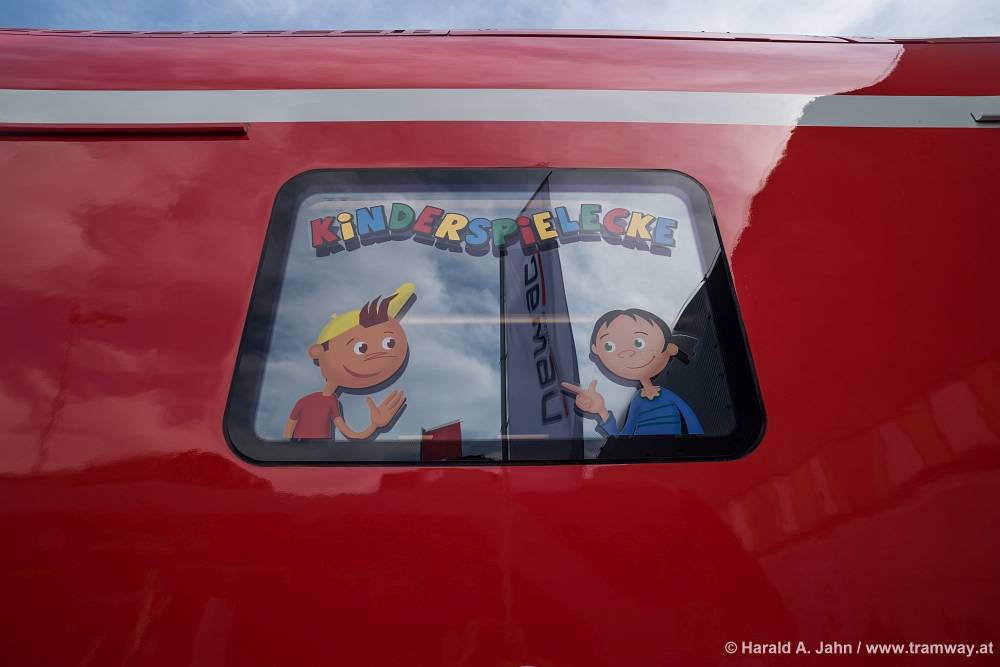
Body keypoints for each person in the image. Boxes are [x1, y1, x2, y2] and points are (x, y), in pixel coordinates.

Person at [282, 282, 415, 440]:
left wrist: (375, 425)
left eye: (389, 343)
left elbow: (352, 434)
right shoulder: (305, 401)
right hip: (302, 451)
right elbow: (287, 434)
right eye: (361, 348)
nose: (375, 356)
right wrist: (285, 450)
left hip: (321, 450)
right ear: (317, 352)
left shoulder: (331, 402)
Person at [562, 308, 703, 437]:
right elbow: (624, 437)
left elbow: (691, 421)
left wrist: (701, 446)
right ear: (595, 349)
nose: (626, 353)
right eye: (609, 346)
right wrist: (601, 411)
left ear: (670, 348)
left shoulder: (665, 395)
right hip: (642, 453)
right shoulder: (637, 400)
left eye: (638, 343)